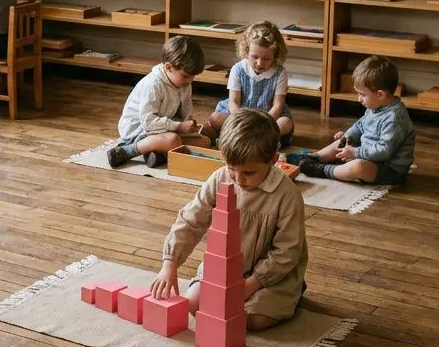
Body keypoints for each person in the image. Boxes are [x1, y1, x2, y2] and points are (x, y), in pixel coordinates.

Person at [151, 109, 308, 330]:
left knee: (252, 319)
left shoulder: (287, 195)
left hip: (269, 275)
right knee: (195, 305)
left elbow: (288, 250)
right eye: (232, 169)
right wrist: (170, 262)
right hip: (224, 267)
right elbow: (191, 220)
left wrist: (251, 284)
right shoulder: (220, 178)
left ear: (273, 160)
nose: (238, 179)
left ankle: (294, 290)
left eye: (249, 172)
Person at [299, 55, 414, 185]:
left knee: (358, 167)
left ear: (381, 94)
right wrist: (348, 136)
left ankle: (323, 170)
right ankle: (313, 158)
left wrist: (355, 152)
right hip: (368, 154)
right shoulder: (376, 105)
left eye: (362, 94)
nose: (358, 99)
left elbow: (384, 151)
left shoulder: (394, 119)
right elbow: (361, 125)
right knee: (341, 142)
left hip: (388, 168)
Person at [107, 35, 210, 168]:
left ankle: (157, 152)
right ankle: (126, 151)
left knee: (204, 142)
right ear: (168, 67)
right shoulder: (153, 85)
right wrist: (178, 127)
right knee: (173, 140)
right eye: (185, 76)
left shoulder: (184, 83)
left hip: (163, 126)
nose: (190, 81)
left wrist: (188, 123)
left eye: (193, 77)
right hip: (139, 130)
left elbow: (185, 111)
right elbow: (148, 123)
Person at [204, 20, 294, 146]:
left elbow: (277, 106)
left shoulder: (280, 73)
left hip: (267, 118)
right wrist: (243, 122)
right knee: (215, 118)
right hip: (240, 116)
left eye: (266, 59)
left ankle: (246, 139)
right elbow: (234, 102)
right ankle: (256, 140)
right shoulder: (238, 69)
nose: (260, 63)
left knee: (285, 123)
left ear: (276, 55)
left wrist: (262, 124)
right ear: (246, 52)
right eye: (255, 57)